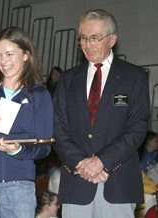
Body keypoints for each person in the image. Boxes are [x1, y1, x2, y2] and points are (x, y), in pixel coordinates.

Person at [53, 9, 150, 218]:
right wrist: (83, 165)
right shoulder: (68, 80)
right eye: (83, 38)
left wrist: (102, 161)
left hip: (118, 184)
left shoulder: (135, 77)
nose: (88, 44)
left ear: (112, 39)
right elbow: (58, 130)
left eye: (95, 38)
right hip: (77, 183)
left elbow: (138, 128)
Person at [0, 26, 53, 217]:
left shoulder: (40, 95)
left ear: (25, 55)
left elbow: (45, 147)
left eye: (9, 54)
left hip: (19, 186)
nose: (3, 61)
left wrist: (18, 150)